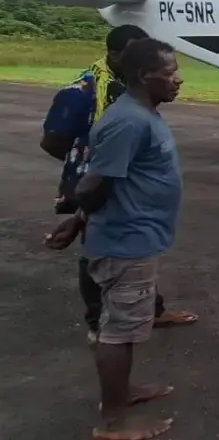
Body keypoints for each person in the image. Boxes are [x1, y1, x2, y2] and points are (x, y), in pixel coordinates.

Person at [43, 38, 184, 440]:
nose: (178, 79)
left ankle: (123, 393)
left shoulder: (140, 114)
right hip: (126, 241)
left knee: (124, 326)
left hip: (133, 236)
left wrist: (81, 219)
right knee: (118, 332)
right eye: (170, 72)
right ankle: (114, 423)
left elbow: (109, 180)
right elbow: (93, 182)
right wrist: (77, 217)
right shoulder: (129, 121)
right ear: (144, 76)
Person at [39, 25, 197, 346]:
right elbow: (53, 141)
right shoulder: (83, 92)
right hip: (96, 180)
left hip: (116, 178)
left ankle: (144, 311)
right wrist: (92, 164)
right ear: (118, 56)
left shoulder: (130, 95)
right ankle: (100, 322)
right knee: (102, 259)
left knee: (126, 268)